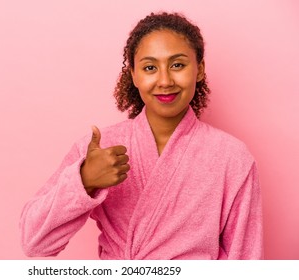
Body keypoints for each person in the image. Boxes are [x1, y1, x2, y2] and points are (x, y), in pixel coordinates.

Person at [19, 12, 263, 260]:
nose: (165, 81)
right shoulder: (100, 148)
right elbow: (34, 242)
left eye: (177, 65)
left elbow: (246, 259)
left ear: (199, 70)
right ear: (134, 75)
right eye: (149, 68)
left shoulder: (233, 157)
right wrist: (84, 180)